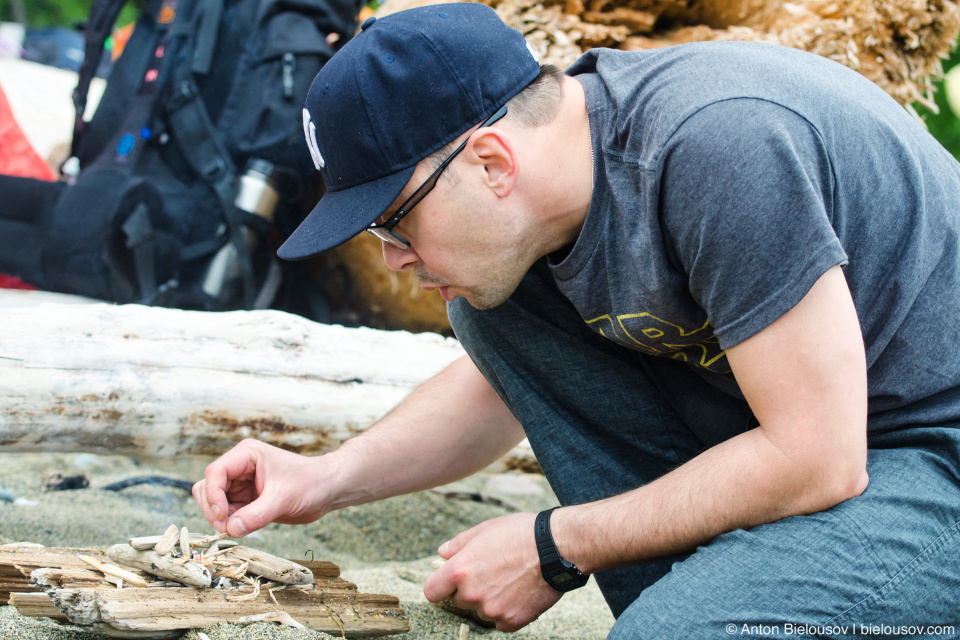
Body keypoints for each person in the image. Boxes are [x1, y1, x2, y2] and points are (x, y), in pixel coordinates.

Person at [192, 4, 960, 636]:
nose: (392, 258)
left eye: (393, 224)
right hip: (839, 443)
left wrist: (553, 547)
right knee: (490, 306)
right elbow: (504, 388)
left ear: (491, 162)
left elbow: (820, 458)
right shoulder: (556, 185)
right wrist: (326, 479)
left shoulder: (720, 144)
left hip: (929, 449)